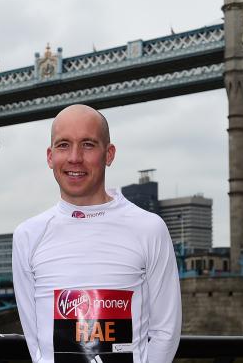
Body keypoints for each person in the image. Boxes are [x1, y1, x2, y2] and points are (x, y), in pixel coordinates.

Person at [12, 104, 181, 363]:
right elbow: (35, 338)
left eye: (88, 144)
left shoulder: (149, 228)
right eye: (63, 145)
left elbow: (165, 332)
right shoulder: (27, 235)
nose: (74, 157)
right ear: (49, 156)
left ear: (109, 154)